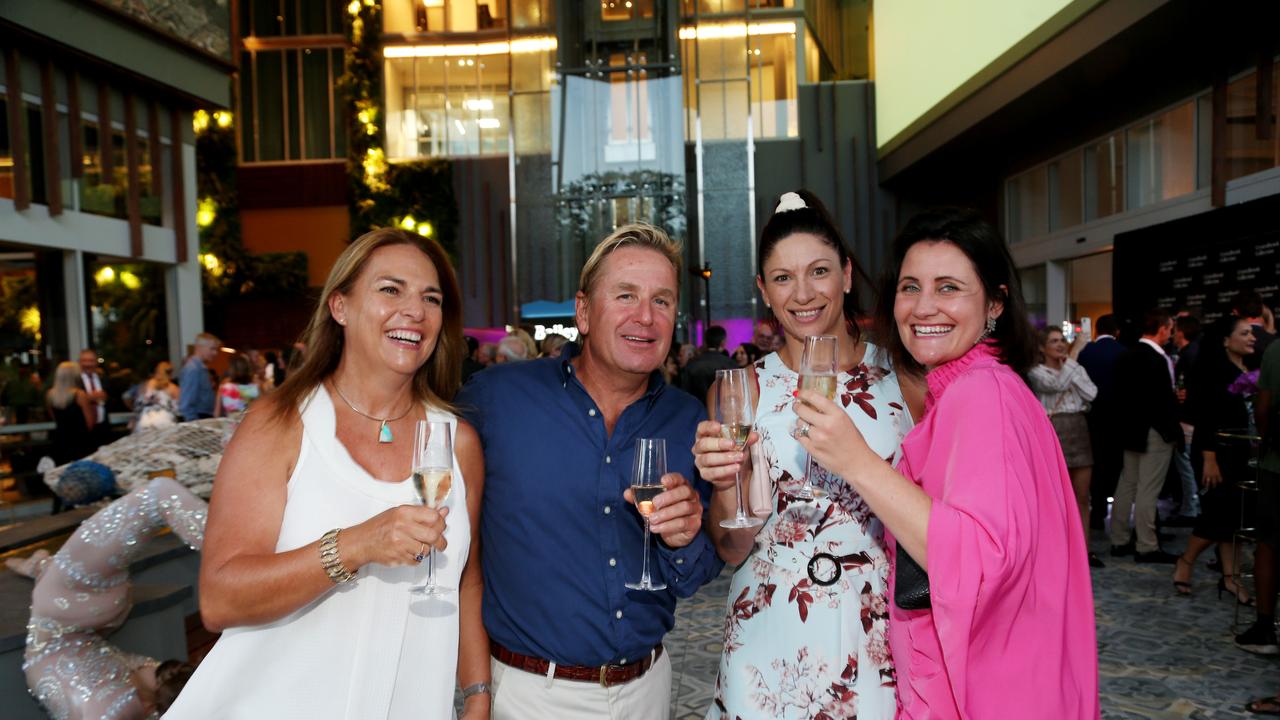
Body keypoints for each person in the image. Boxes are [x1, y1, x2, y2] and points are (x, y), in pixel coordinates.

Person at [165, 228, 490, 719]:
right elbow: (219, 597)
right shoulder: (281, 424)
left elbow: (466, 583)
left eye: (431, 297)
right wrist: (357, 545)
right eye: (390, 289)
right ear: (340, 307)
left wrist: (478, 696)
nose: (415, 310)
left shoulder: (456, 442)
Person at [791, 207, 1098, 718]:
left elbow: (977, 559)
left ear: (995, 303)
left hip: (988, 687)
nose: (923, 307)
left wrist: (857, 462)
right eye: (910, 287)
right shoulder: (975, 388)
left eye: (949, 288)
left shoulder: (981, 395)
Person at [455, 223, 721, 719]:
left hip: (647, 688)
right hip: (531, 696)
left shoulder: (688, 420)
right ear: (583, 312)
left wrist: (684, 541)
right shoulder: (497, 399)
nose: (645, 316)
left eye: (662, 301)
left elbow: (697, 576)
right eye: (625, 295)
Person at [693, 190, 917, 719]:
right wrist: (727, 484)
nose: (803, 294)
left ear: (845, 273)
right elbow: (731, 547)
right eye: (782, 278)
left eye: (818, 271)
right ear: (763, 292)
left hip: (878, 625)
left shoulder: (903, 379)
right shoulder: (743, 388)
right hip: (768, 626)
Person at [7, 476, 206, 719]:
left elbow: (160, 494)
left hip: (74, 603)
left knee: (159, 494)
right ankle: (39, 565)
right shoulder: (146, 696)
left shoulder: (119, 706)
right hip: (82, 612)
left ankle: (40, 565)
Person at [1172, 316, 1257, 602]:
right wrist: (1209, 458)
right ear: (1225, 340)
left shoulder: (1248, 369)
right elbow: (1206, 417)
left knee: (1232, 517)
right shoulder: (1215, 371)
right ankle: (1185, 561)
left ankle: (1230, 578)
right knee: (1218, 515)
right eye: (1245, 333)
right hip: (1216, 453)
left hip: (1242, 452)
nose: (1252, 338)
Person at [1111, 308, 1181, 563]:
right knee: (1147, 490)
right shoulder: (1156, 359)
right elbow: (1162, 402)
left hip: (1131, 430)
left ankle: (1118, 539)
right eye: (1170, 328)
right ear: (1162, 329)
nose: (1171, 333)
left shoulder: (1126, 356)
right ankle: (1147, 545)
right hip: (1154, 431)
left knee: (1127, 484)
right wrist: (1172, 432)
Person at [1029, 326, 1102, 567]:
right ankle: (1057, 550)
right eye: (1054, 341)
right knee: (1055, 497)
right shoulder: (1036, 371)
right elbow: (1055, 385)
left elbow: (1091, 394)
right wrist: (1075, 355)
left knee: (1082, 496)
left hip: (1078, 429)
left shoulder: (1074, 366)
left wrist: (1072, 366)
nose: (1060, 344)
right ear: (1042, 347)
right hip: (1054, 431)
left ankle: (1084, 550)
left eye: (1062, 340)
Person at [1240, 336, 1280, 661]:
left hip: (1276, 465)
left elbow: (1263, 406)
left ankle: (1266, 626)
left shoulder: (1277, 351)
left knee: (1268, 543)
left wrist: (1267, 440)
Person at [46, 361, 97, 465]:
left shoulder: (50, 394)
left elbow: (54, 417)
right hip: (80, 442)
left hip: (60, 441)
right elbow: (90, 423)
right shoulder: (80, 395)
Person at [680, 325, 737, 402]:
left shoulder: (692, 363)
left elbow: (685, 392)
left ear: (705, 342)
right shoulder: (730, 364)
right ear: (723, 342)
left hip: (698, 410)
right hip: (723, 410)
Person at [178, 333, 221, 422]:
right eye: (212, 349)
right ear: (199, 347)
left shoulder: (200, 368)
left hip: (203, 418)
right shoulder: (193, 369)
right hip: (199, 419)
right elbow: (186, 403)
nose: (215, 353)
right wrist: (195, 426)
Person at [134, 360, 181, 432]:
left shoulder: (147, 384)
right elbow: (178, 409)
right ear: (171, 373)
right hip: (165, 421)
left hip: (146, 421)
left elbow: (139, 404)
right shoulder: (174, 388)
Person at [214, 354, 261, 418]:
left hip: (230, 424)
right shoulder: (256, 386)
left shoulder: (224, 386)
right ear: (247, 368)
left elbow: (216, 413)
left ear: (231, 369)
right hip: (250, 422)